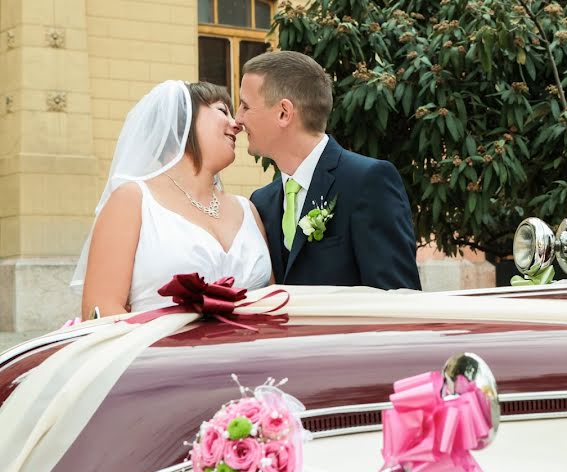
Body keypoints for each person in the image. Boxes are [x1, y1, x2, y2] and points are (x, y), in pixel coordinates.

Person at [71, 81, 272, 318]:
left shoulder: (248, 209)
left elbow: (274, 299)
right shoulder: (132, 201)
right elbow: (101, 310)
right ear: (181, 122)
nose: (236, 124)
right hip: (159, 352)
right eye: (222, 110)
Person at [237, 51, 421, 290]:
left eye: (244, 106)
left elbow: (399, 299)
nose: (237, 118)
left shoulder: (367, 181)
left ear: (284, 112)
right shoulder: (261, 202)